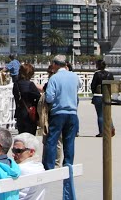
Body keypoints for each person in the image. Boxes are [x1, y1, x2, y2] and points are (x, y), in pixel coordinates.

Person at [43, 55, 79, 200]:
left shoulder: (54, 78)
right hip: (72, 113)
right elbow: (79, 88)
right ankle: (68, 164)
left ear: (56, 65)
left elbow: (49, 97)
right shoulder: (75, 76)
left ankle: (50, 166)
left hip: (58, 113)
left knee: (53, 140)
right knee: (69, 140)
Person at [11, 132, 46, 200]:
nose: (14, 154)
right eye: (13, 150)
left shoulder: (19, 169)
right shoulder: (39, 166)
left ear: (31, 152)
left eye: (18, 151)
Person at [89, 59, 114, 137]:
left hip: (98, 95)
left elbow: (93, 85)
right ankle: (111, 129)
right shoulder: (110, 74)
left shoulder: (97, 74)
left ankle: (102, 131)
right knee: (108, 113)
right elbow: (112, 84)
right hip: (107, 95)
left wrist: (94, 92)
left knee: (100, 115)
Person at [14, 63, 41, 135]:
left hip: (19, 113)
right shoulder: (30, 84)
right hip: (29, 113)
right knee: (30, 137)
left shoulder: (16, 84)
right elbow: (38, 97)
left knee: (21, 136)